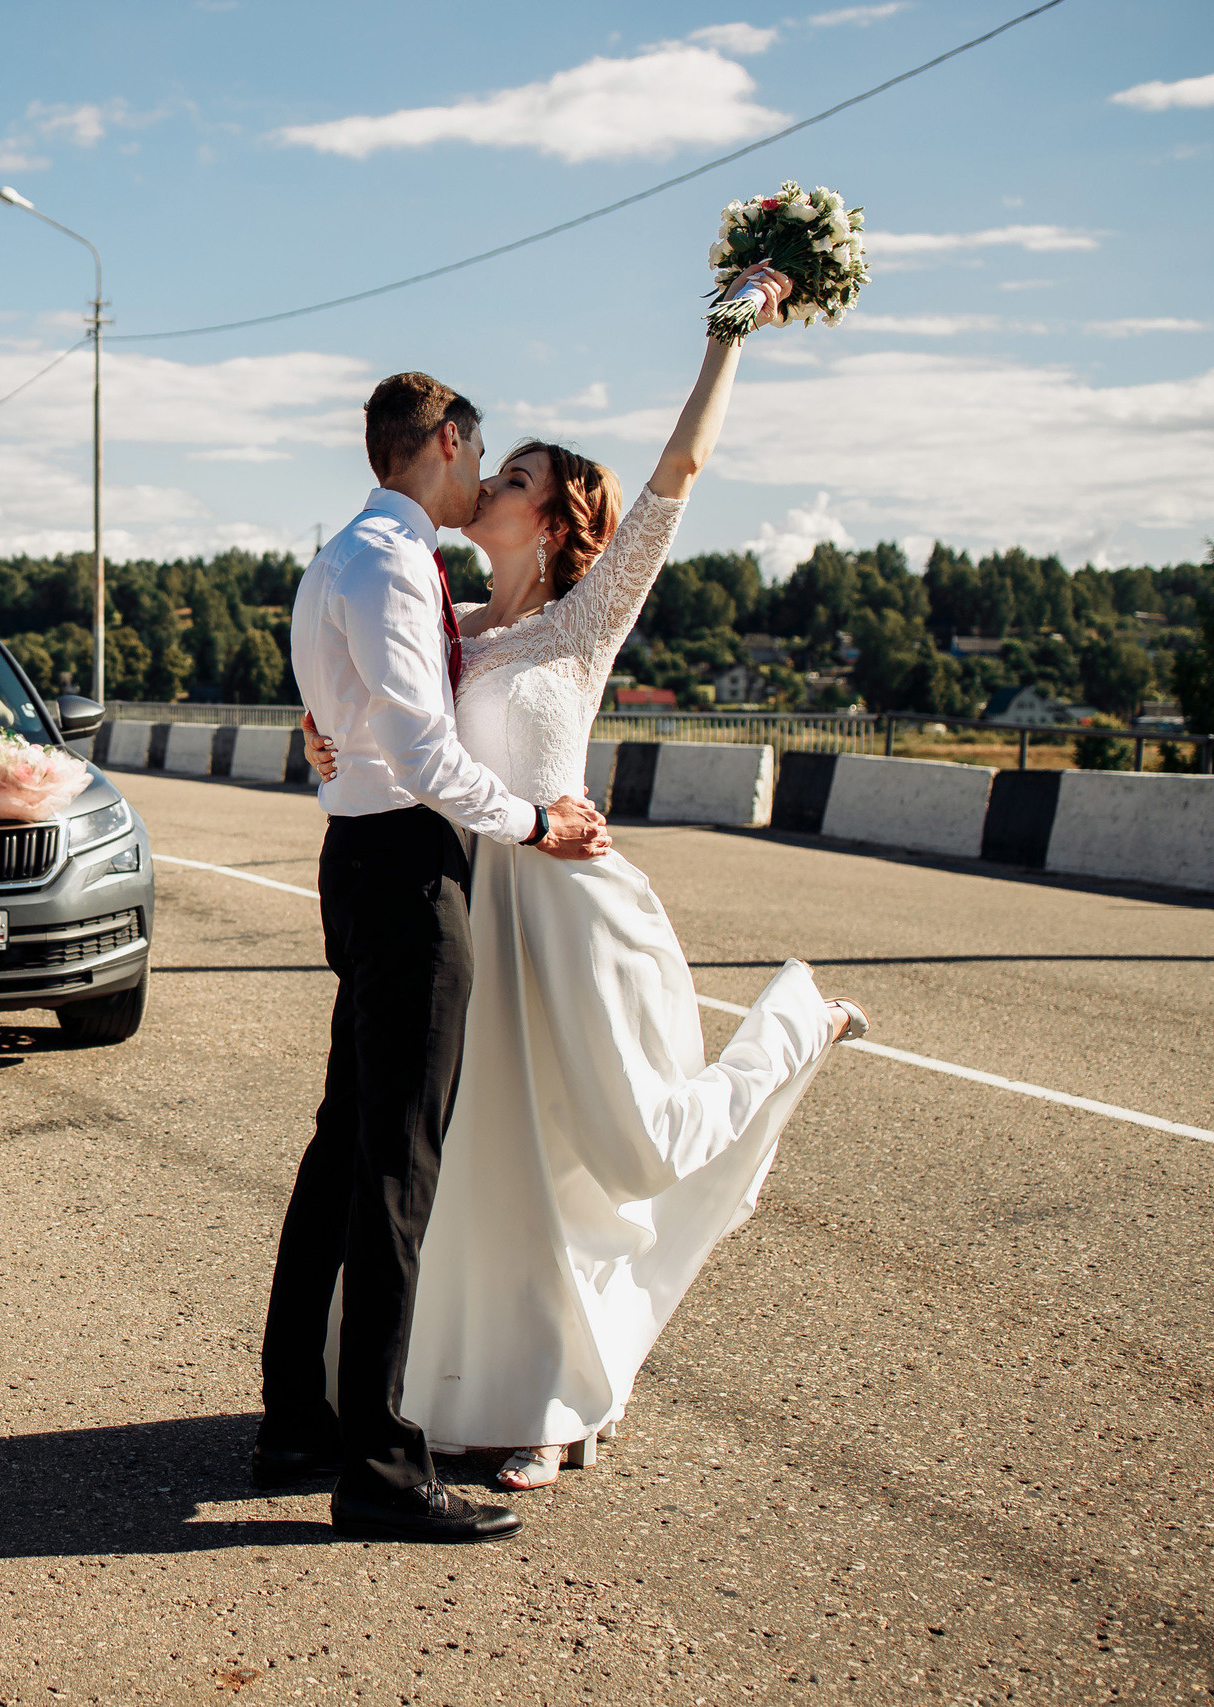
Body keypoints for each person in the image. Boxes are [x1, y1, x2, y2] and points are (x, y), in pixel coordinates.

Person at [309, 262, 869, 1494]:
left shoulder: (585, 618)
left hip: (570, 906)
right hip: (477, 905)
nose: (487, 479)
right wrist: (327, 740)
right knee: (503, 1166)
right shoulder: (450, 613)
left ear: (556, 520)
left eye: (512, 477)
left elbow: (675, 481)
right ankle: (530, 1399)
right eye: (488, 465)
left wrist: (727, 336)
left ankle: (790, 1035)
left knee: (614, 1146)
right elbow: (394, 710)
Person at [256, 369, 612, 1547]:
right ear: (447, 442)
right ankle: (380, 1469)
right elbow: (417, 747)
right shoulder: (396, 559)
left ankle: (297, 1419)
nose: (482, 473)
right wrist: (533, 822)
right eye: (481, 453)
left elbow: (352, 718)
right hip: (409, 870)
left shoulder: (340, 556)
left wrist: (335, 742)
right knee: (396, 1171)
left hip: (355, 859)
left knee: (344, 1147)